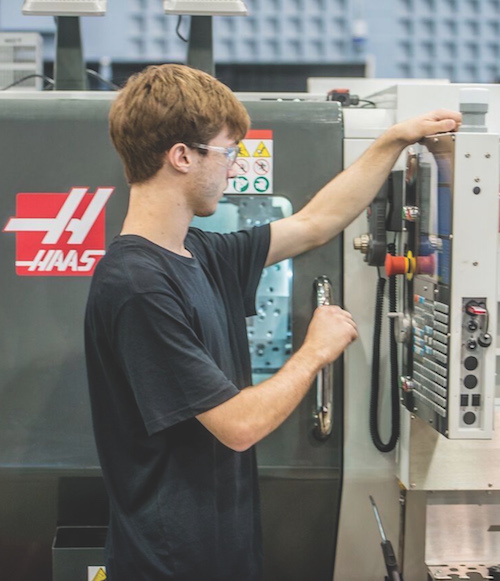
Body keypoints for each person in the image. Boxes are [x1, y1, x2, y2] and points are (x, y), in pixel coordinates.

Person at [84, 63, 461, 581]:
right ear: (181, 157)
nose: (235, 170)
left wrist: (392, 140)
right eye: (227, 153)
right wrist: (314, 351)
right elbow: (238, 426)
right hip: (170, 564)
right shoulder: (136, 284)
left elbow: (314, 224)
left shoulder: (198, 252)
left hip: (221, 550)